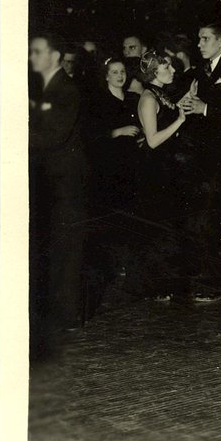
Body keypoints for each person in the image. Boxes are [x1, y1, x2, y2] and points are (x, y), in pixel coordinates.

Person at [177, 23, 221, 301]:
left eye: (205, 39)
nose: (199, 44)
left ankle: (218, 283)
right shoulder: (203, 70)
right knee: (215, 217)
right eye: (199, 39)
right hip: (209, 156)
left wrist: (205, 108)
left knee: (215, 217)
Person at [29, 33, 89, 358]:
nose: (32, 58)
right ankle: (54, 311)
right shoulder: (44, 88)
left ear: (53, 55)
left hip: (66, 182)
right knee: (53, 244)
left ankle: (67, 315)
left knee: (67, 245)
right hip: (50, 179)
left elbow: (54, 136)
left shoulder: (66, 89)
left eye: (37, 52)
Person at [83, 56, 142, 309]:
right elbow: (91, 135)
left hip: (129, 166)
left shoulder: (131, 99)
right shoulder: (98, 101)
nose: (119, 76)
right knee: (111, 216)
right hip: (108, 169)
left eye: (122, 71)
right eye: (114, 72)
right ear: (106, 76)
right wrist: (117, 132)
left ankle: (126, 264)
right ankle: (110, 266)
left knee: (129, 215)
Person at [133, 50, 192, 302]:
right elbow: (153, 140)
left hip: (166, 168)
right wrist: (180, 121)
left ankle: (166, 284)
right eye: (167, 68)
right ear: (153, 73)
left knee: (168, 225)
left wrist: (189, 97)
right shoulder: (148, 98)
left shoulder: (160, 93)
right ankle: (156, 286)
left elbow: (171, 111)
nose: (173, 70)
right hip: (154, 170)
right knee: (159, 226)